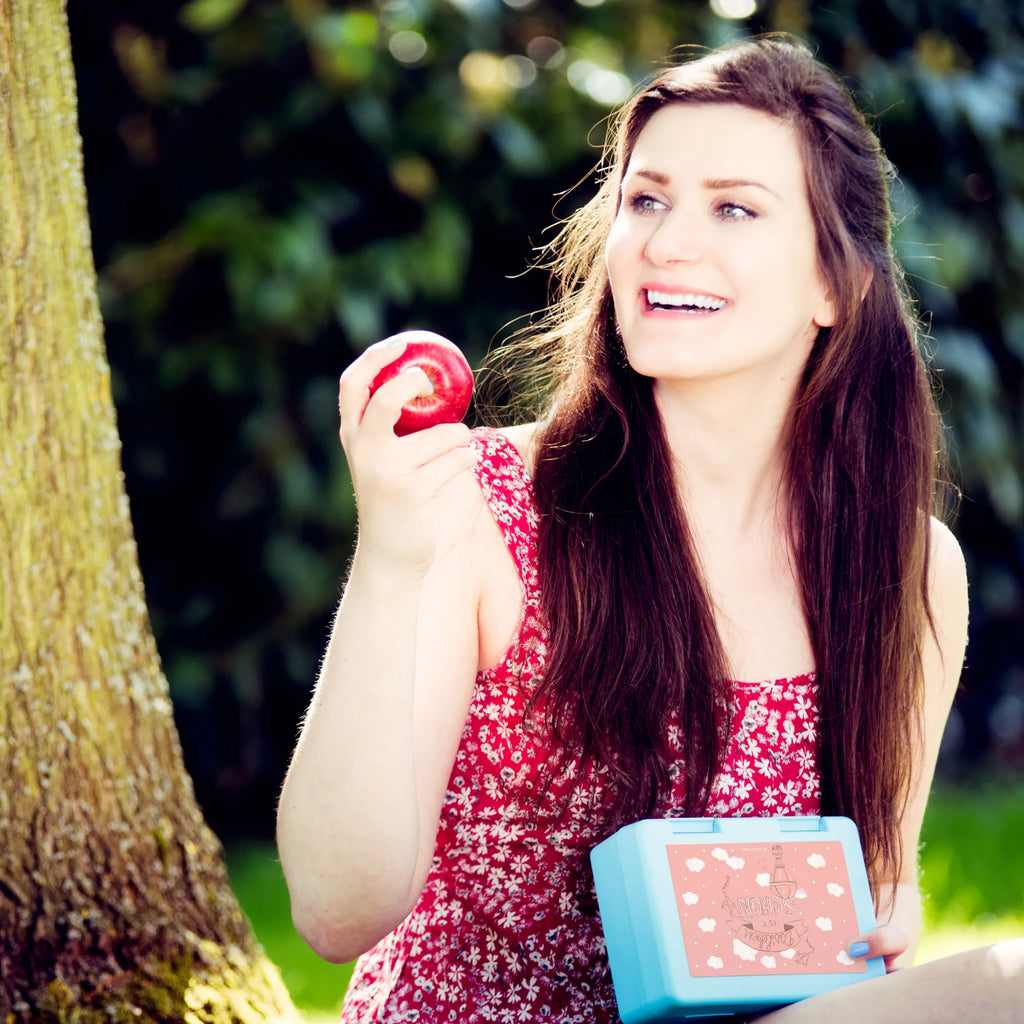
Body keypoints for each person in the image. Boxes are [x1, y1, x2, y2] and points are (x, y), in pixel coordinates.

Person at [276, 34, 1023, 1023]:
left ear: (833, 286)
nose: (667, 242)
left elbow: (876, 899)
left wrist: (886, 907)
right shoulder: (483, 508)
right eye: (645, 198)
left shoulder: (908, 570)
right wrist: (393, 555)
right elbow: (335, 912)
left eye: (732, 207)